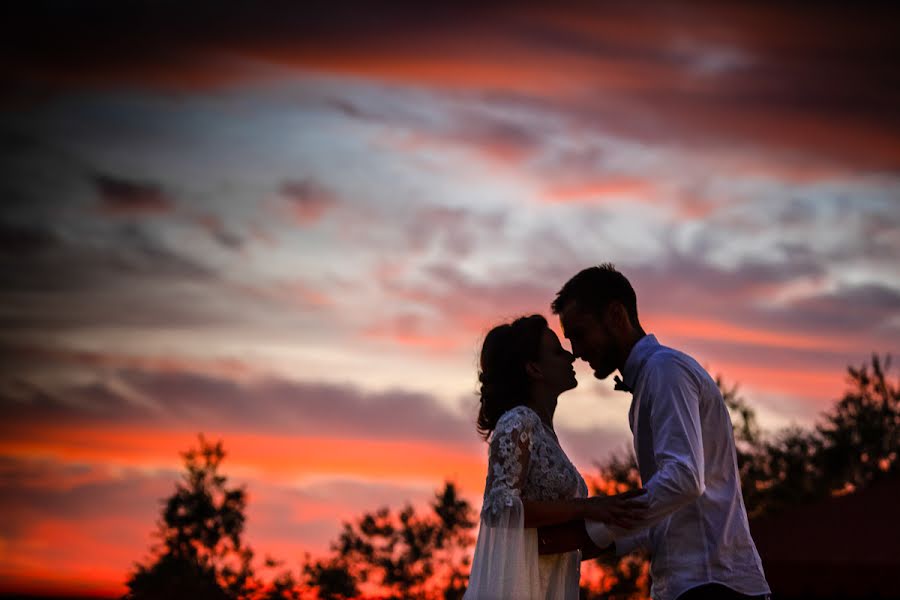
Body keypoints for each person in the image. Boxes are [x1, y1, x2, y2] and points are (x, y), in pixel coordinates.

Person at [551, 264, 771, 600]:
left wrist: (597, 528)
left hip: (711, 583)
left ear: (615, 315)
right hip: (688, 584)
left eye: (580, 333)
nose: (577, 352)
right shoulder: (651, 382)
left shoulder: (665, 372)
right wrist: (600, 542)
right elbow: (671, 505)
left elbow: (683, 478)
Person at [465, 314, 648, 600]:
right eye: (556, 350)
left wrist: (636, 528)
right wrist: (585, 507)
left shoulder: (543, 432)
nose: (571, 356)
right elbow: (499, 508)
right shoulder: (518, 421)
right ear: (534, 368)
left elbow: (551, 543)